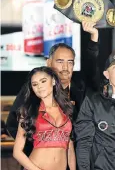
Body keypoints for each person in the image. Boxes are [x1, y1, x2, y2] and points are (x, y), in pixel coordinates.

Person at [6, 21, 99, 158]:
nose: (65, 67)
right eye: (60, 62)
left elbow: (91, 67)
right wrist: (34, 152)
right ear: (49, 63)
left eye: (70, 62)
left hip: (75, 160)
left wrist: (94, 37)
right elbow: (13, 123)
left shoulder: (80, 87)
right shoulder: (36, 89)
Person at [13, 66, 75, 170]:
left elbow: (69, 147)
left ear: (54, 81)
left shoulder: (67, 109)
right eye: (35, 84)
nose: (39, 87)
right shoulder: (29, 111)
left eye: (43, 81)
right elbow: (17, 152)